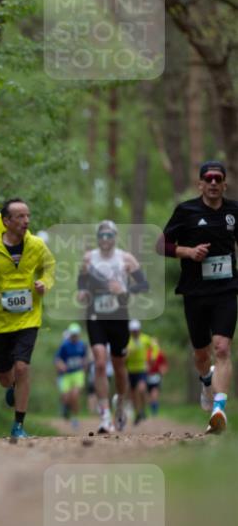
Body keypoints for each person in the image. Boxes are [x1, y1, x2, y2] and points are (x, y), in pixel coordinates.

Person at [0, 199, 55, 439]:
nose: (26, 221)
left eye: (28, 216)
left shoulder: (36, 245)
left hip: (28, 317)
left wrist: (44, 282)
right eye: (20, 217)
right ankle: (11, 385)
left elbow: (49, 266)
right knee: (5, 377)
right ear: (6, 221)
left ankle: (18, 425)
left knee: (22, 367)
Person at [158, 160, 238, 434]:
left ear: (224, 184)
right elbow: (161, 244)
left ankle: (219, 410)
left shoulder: (234, 211)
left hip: (226, 289)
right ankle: (206, 381)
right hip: (195, 292)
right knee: (202, 354)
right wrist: (188, 252)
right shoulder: (186, 211)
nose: (213, 183)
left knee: (222, 348)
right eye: (209, 179)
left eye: (218, 179)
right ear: (200, 184)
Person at [77, 221, 149, 433]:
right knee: (100, 363)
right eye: (102, 235)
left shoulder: (126, 258)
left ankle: (120, 405)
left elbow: (144, 285)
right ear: (97, 237)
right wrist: (82, 292)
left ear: (115, 237)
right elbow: (81, 282)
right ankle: (104, 416)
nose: (105, 239)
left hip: (119, 317)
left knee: (119, 366)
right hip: (95, 315)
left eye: (109, 235)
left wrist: (124, 290)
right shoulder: (89, 258)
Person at [55, 323, 88, 429]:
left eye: (76, 334)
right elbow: (57, 359)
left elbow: (85, 357)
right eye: (72, 334)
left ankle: (75, 418)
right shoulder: (64, 345)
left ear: (79, 335)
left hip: (78, 373)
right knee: (66, 397)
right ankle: (65, 408)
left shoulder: (82, 345)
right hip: (66, 374)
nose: (74, 336)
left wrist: (84, 367)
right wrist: (61, 365)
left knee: (75, 395)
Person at [125, 320, 156, 424]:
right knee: (133, 393)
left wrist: (152, 357)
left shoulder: (145, 339)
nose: (135, 332)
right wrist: (127, 355)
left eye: (136, 330)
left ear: (139, 330)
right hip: (130, 370)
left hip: (142, 368)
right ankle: (137, 412)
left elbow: (155, 347)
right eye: (133, 331)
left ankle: (143, 409)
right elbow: (123, 354)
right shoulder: (127, 341)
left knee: (141, 389)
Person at [146, 336, 168, 415]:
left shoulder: (160, 353)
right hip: (148, 375)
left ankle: (154, 409)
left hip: (156, 375)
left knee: (154, 391)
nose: (154, 344)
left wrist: (163, 370)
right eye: (152, 342)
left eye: (155, 342)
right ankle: (153, 407)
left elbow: (164, 364)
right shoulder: (147, 352)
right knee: (150, 393)